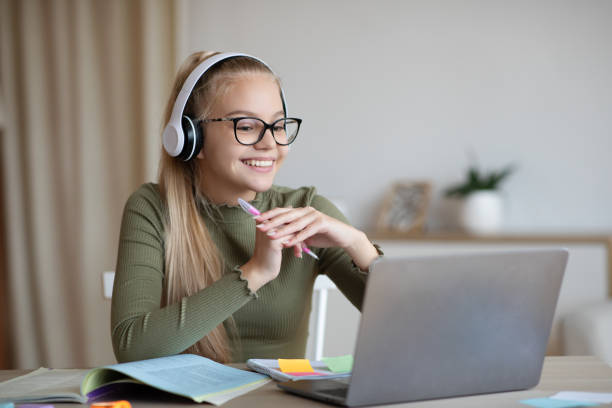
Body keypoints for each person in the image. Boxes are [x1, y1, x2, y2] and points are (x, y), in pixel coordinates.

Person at [111, 51, 382, 364]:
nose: (270, 143)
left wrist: (357, 243)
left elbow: (407, 324)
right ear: (192, 138)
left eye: (278, 125)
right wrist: (255, 272)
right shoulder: (153, 208)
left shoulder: (306, 210)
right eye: (247, 126)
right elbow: (132, 348)